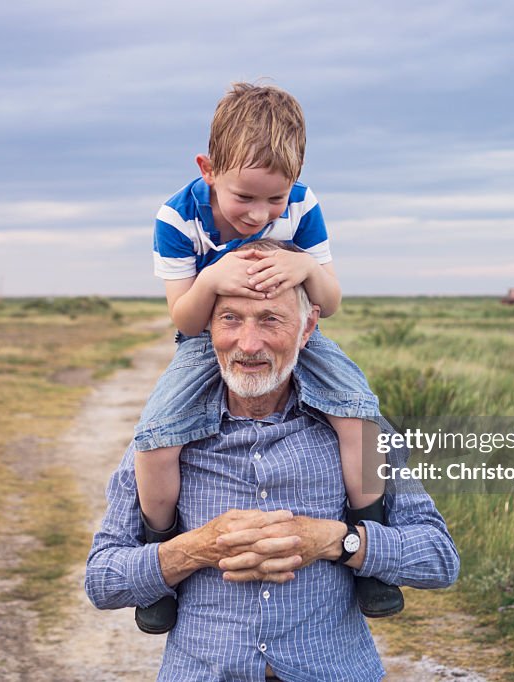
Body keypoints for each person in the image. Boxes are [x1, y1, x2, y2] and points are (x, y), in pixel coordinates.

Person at [85, 246, 460, 681]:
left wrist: (337, 542)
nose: (248, 344)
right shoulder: (162, 438)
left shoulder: (357, 432)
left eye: (270, 320)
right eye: (230, 319)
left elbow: (439, 557)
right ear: (207, 327)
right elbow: (103, 580)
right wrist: (195, 549)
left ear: (308, 327)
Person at [134, 81, 400, 634]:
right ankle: (160, 557)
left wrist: (306, 269)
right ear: (208, 169)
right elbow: (183, 318)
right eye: (245, 198)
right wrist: (212, 279)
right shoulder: (177, 218)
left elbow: (331, 303)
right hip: (206, 340)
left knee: (362, 415)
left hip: (300, 332)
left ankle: (370, 544)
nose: (260, 214)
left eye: (274, 198)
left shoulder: (303, 206)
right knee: (157, 434)